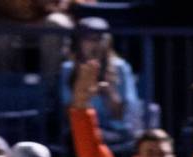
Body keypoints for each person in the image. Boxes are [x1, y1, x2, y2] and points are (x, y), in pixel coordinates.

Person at [60, 17, 140, 145]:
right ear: (79, 42)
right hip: (81, 130)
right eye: (88, 39)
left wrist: (108, 91)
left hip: (115, 131)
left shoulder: (121, 68)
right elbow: (67, 112)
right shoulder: (68, 69)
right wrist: (82, 92)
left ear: (107, 42)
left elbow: (123, 115)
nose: (95, 44)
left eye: (99, 39)